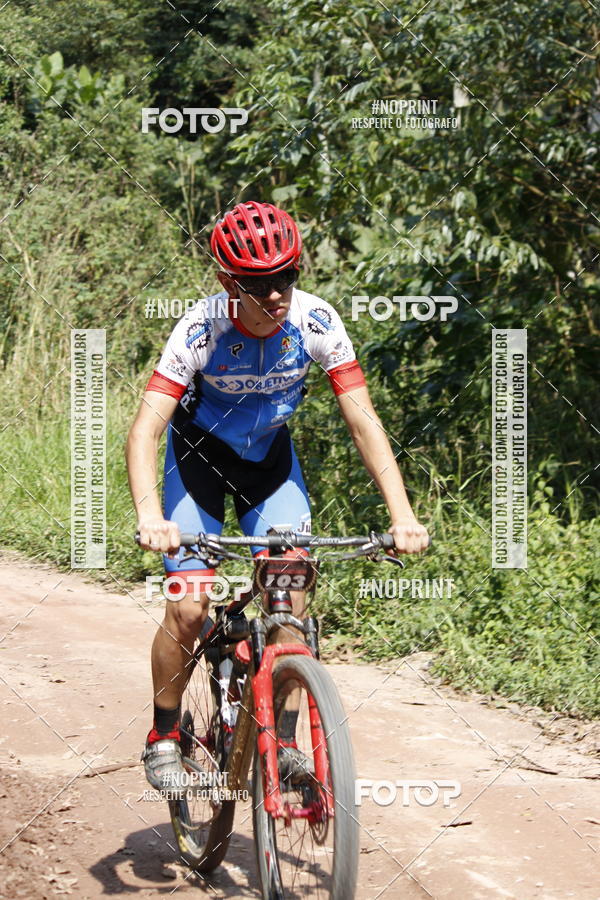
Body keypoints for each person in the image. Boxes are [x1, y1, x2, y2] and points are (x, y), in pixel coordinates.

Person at [125, 200, 429, 789]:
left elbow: (362, 419)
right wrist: (150, 515)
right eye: (259, 283)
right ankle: (164, 731)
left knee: (289, 603)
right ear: (226, 282)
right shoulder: (201, 328)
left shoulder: (316, 322)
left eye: (287, 276)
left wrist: (402, 514)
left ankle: (281, 740)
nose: (276, 294)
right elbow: (145, 429)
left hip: (269, 465)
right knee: (189, 605)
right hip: (197, 465)